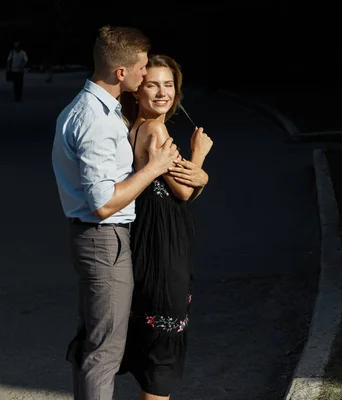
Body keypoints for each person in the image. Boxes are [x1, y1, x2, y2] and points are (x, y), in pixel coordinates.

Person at [51, 26, 181, 400]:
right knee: (104, 354)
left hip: (96, 239)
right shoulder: (96, 121)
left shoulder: (89, 109)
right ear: (121, 72)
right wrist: (154, 169)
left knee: (94, 344)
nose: (147, 76)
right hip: (104, 239)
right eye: (142, 69)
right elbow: (103, 202)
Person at [116, 54, 213, 399]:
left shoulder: (137, 126)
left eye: (169, 85)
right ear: (137, 90)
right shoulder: (156, 129)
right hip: (162, 249)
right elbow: (183, 190)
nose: (162, 93)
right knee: (163, 357)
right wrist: (199, 154)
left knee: (154, 347)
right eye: (153, 84)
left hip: (150, 241)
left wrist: (197, 174)